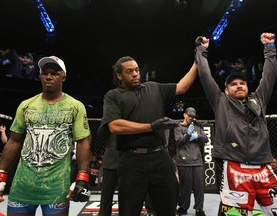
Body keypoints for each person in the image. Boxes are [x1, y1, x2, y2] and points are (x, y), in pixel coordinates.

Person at [0, 56, 92, 216]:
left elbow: (83, 143)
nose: (49, 77)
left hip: (56, 187)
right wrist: (0, 176)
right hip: (23, 185)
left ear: (63, 76)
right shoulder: (26, 105)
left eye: (54, 73)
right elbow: (14, 142)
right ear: (40, 75)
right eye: (45, 73)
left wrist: (82, 178)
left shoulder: (75, 106)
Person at [99, 56, 198, 215]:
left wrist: (197, 62)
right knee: (130, 211)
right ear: (119, 75)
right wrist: (151, 126)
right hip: (131, 160)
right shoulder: (113, 95)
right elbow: (114, 125)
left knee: (168, 208)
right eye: (129, 71)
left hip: (160, 156)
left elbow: (182, 87)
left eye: (137, 70)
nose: (135, 74)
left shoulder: (153, 87)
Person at [195, 33, 277, 215]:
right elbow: (204, 74)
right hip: (234, 167)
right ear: (226, 89)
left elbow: (269, 76)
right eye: (233, 84)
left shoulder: (259, 100)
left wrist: (269, 48)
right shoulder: (220, 101)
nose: (239, 86)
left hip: (264, 166)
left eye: (242, 83)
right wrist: (202, 50)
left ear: (247, 87)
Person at [174, 107, 208, 216]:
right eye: (189, 116)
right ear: (184, 115)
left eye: (193, 116)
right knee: (185, 187)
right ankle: (183, 207)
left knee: (199, 187)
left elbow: (206, 139)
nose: (191, 118)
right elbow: (179, 142)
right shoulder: (178, 128)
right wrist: (188, 135)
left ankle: (199, 209)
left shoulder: (197, 126)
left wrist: (197, 135)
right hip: (183, 161)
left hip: (197, 160)